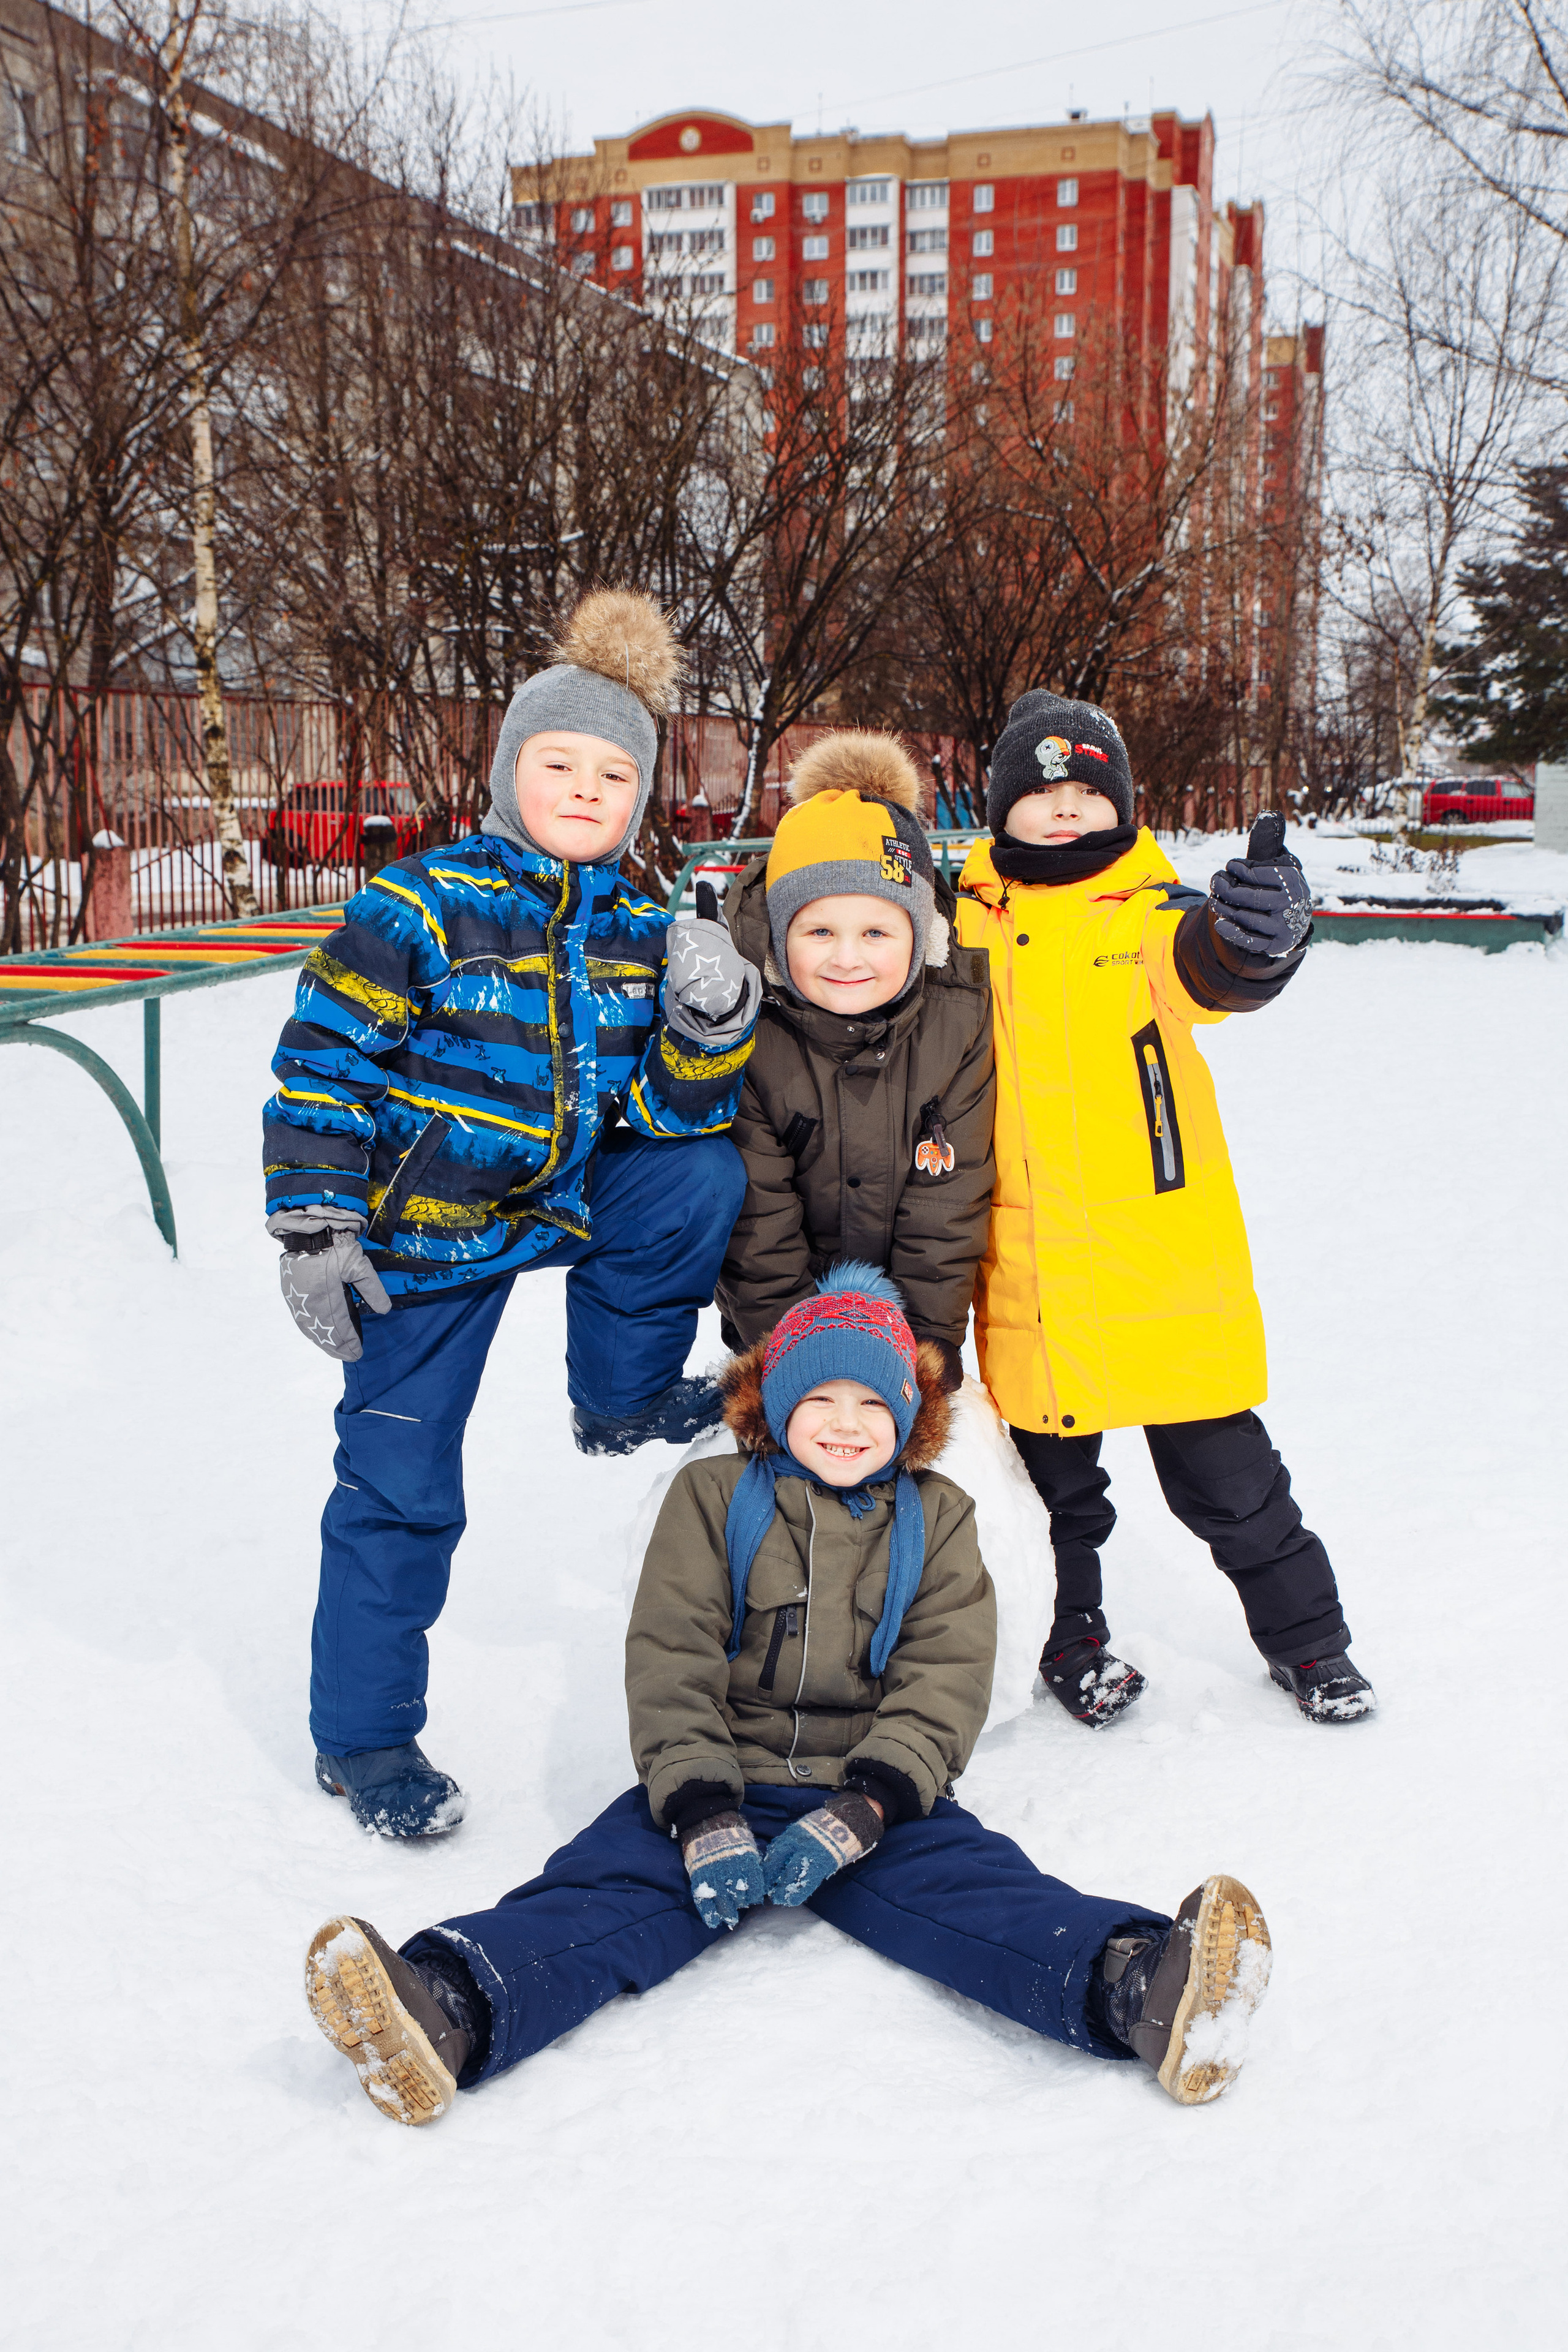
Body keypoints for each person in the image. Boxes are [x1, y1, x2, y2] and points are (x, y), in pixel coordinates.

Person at [303, 1267, 1273, 2126]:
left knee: (983, 1895)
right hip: (713, 1781)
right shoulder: (716, 1500)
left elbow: (948, 1674)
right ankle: (446, 2010)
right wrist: (697, 1808)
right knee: (600, 1894)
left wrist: (871, 1805)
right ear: (777, 1405)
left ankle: (1145, 1989)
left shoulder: (938, 1518)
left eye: (871, 1403)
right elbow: (669, 1651)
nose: (845, 1423)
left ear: (907, 1420)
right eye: (821, 1398)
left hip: (873, 1793)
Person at [264, 590, 760, 1837]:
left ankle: (622, 1393)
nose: (586, 790)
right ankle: (366, 1737)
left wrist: (704, 1031)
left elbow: (665, 1118)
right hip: (421, 1233)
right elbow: (324, 1065)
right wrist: (318, 1224)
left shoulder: (648, 933)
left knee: (699, 1177)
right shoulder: (417, 906)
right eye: (558, 764)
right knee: (399, 1483)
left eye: (613, 774)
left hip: (562, 1194)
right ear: (507, 773)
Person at [955, 690, 1376, 1728]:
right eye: (1040, 793)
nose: (1064, 810)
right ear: (999, 807)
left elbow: (1217, 967)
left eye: (1087, 794)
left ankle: (1310, 1644)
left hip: (1161, 1268)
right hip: (1028, 1269)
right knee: (1056, 1502)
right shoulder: (956, 925)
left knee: (1236, 1489)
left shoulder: (1154, 916)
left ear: (1123, 809)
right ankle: (1073, 1642)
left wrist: (1260, 934)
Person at [715, 731, 995, 1393]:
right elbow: (756, 1214)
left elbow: (949, 1198)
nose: (847, 958)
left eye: (876, 932)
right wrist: (782, 1350)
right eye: (818, 932)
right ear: (780, 941)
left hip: (907, 1309)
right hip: (778, 1309)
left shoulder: (955, 1019)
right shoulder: (748, 1024)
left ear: (919, 936)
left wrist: (928, 1340)